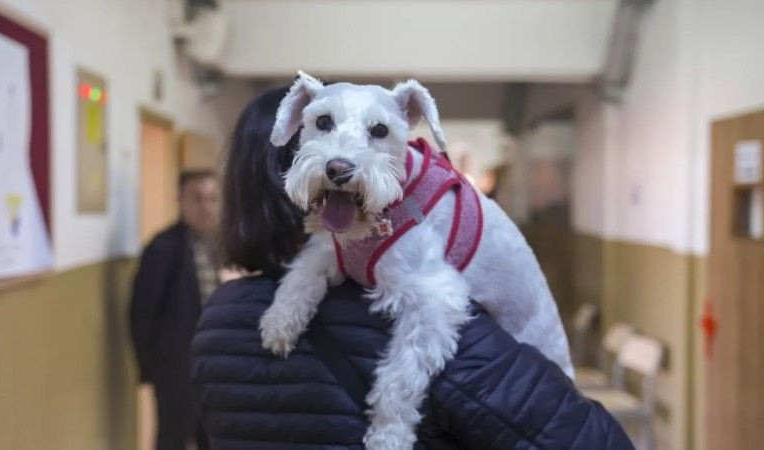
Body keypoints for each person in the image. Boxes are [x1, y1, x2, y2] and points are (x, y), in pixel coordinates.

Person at [191, 87, 633, 449]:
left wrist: (391, 423)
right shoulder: (385, 271)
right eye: (323, 125)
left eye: (376, 131)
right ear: (294, 148)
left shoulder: (215, 321)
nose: (341, 157)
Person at [130, 170, 220, 450]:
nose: (205, 206)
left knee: (214, 436)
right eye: (197, 198)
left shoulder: (222, 245)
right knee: (172, 437)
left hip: (214, 365)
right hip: (175, 369)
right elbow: (141, 313)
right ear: (180, 201)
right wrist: (151, 368)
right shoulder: (163, 247)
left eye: (212, 199)